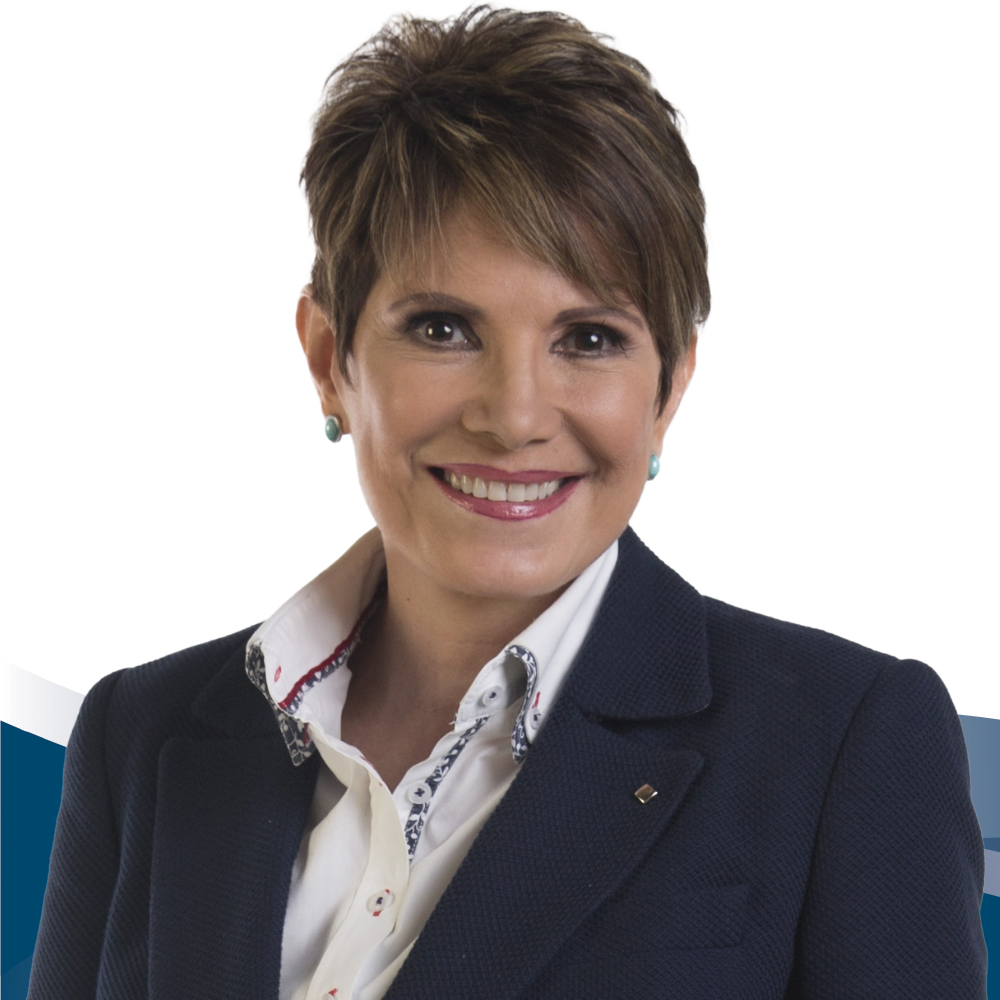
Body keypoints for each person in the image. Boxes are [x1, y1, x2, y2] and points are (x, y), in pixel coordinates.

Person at [29, 6, 986, 999]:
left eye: (590, 339)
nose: (515, 416)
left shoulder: (842, 748)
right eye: (443, 329)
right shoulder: (139, 738)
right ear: (328, 358)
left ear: (669, 388)